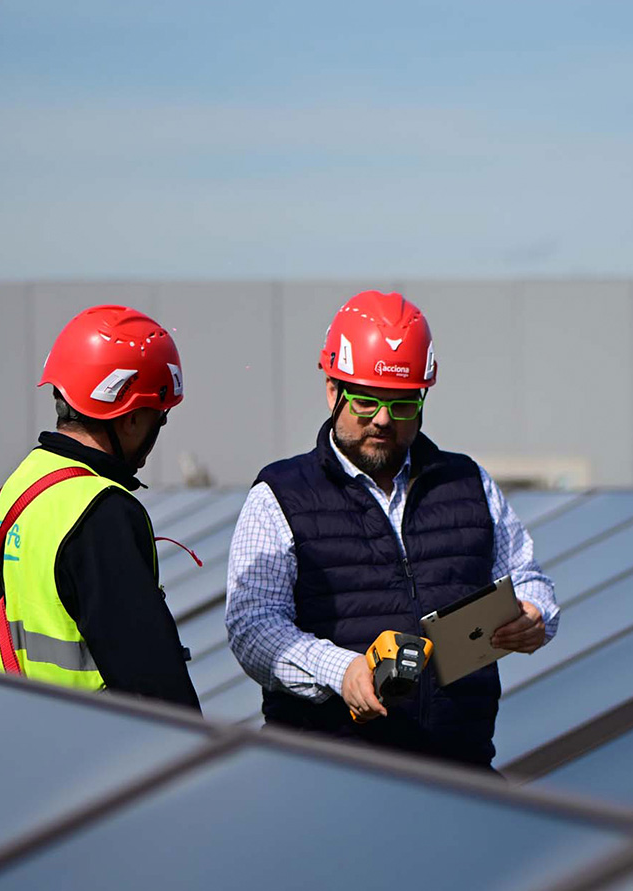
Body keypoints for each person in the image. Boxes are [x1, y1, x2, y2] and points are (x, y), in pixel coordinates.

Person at [226, 290, 558, 766]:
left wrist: (534, 618)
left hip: (457, 772)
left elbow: (530, 580)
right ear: (331, 389)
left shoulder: (468, 482)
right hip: (327, 776)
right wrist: (343, 671)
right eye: (365, 402)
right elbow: (252, 626)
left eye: (402, 405)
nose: (383, 420)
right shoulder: (280, 495)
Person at [0, 304, 200, 712]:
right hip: (97, 752)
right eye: (157, 419)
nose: (156, 433)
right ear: (129, 418)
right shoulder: (101, 514)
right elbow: (156, 689)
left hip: (16, 744)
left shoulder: (4, 502)